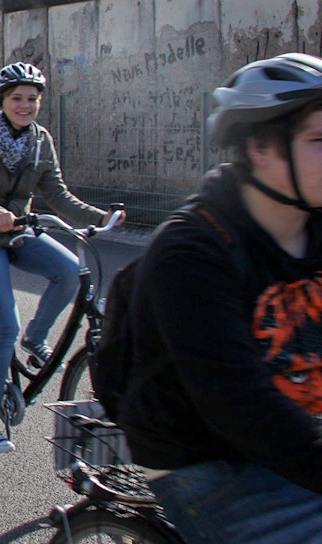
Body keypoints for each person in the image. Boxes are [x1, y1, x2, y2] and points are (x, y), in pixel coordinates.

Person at [115, 53, 322, 543]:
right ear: (259, 148)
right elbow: (239, 406)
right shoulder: (192, 253)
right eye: (319, 140)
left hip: (298, 432)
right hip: (206, 458)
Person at [0, 61, 124, 454]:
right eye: (17, 98)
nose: (26, 105)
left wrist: (100, 217)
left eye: (32, 99)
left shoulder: (40, 139)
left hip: (21, 230)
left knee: (70, 272)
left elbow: (57, 193)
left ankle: (38, 336)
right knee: (5, 328)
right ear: (2, 101)